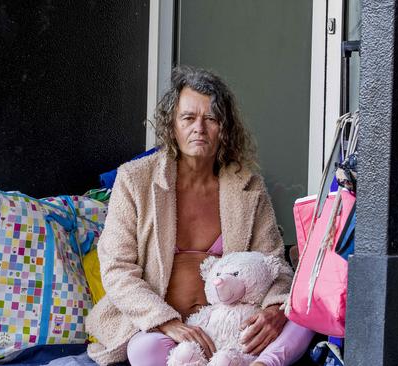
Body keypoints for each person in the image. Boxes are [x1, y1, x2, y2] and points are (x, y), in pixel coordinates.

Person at [85, 66, 314, 366]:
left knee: (306, 316)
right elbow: (116, 270)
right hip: (162, 331)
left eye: (211, 118)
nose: (199, 128)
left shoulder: (248, 187)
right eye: (188, 118)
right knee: (143, 350)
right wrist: (167, 322)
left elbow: (275, 265)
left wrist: (273, 311)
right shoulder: (135, 180)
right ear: (172, 125)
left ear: (225, 128)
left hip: (232, 329)